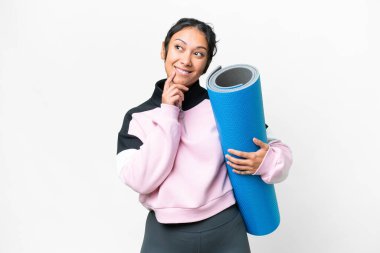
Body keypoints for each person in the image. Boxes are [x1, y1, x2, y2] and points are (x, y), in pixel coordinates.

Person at [117, 18, 293, 253]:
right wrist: (169, 113)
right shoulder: (138, 117)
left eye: (198, 54)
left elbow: (278, 152)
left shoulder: (222, 107)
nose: (186, 60)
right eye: (179, 48)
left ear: (207, 63)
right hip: (165, 236)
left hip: (226, 229)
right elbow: (140, 180)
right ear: (163, 49)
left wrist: (266, 161)